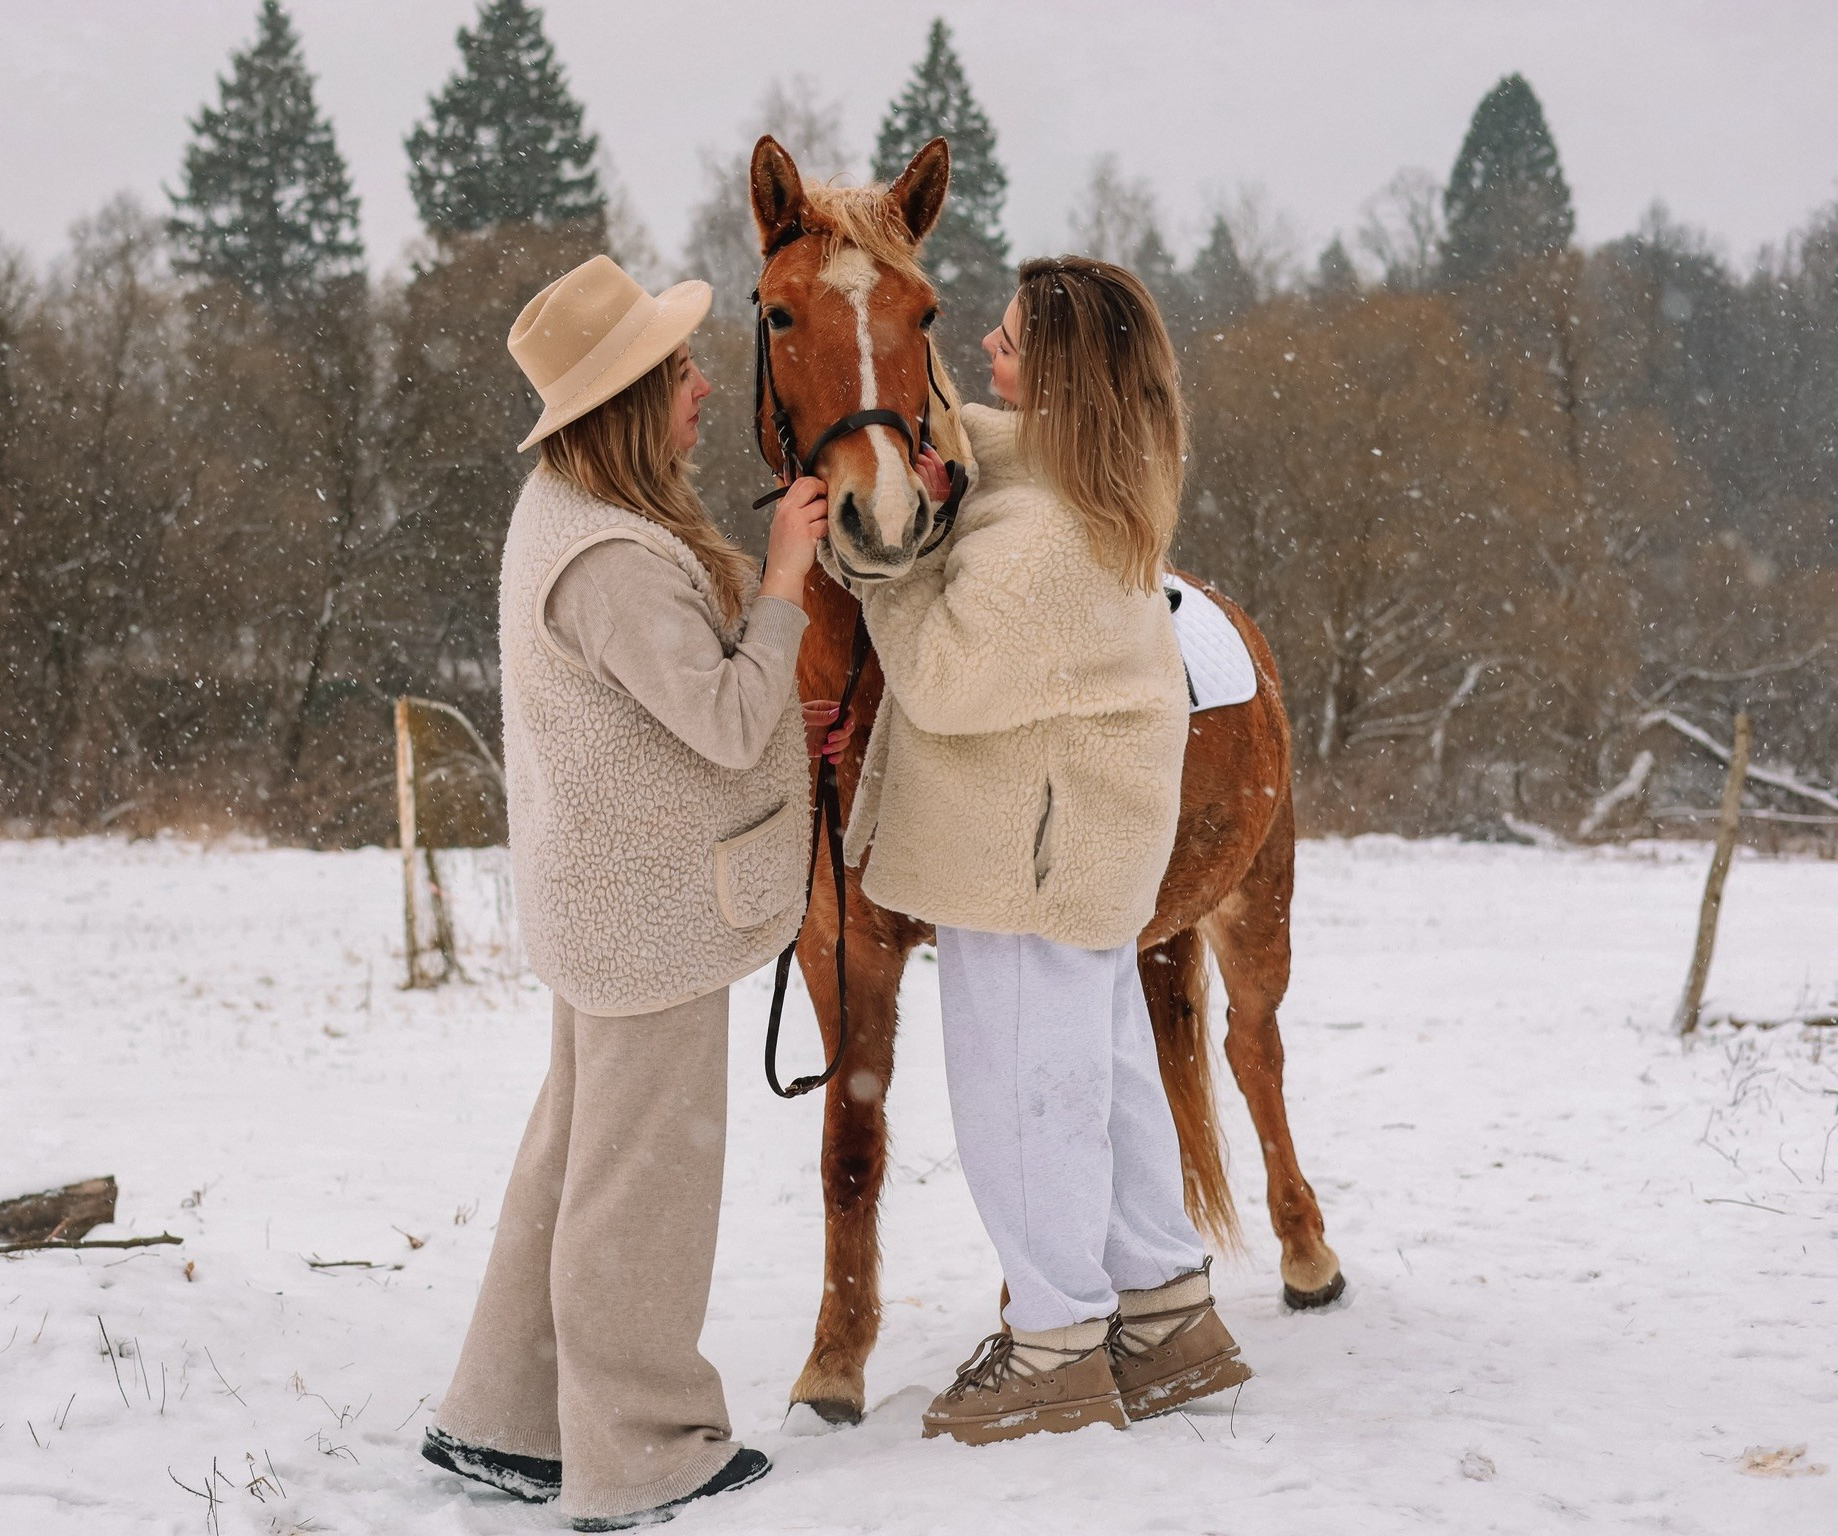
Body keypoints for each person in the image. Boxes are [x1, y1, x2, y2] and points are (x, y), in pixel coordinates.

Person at [421, 255, 829, 1530]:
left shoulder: (563, 509)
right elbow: (722, 717)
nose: (706, 390)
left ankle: (503, 1418)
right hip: (646, 912)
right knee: (637, 1189)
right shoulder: (608, 557)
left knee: (569, 1167)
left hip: (602, 899)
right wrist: (780, 587)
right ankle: (644, 1454)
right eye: (682, 373)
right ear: (631, 402)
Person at [841, 255, 1252, 1446]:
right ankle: (1169, 1315)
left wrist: (886, 566)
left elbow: (946, 680)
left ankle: (1057, 1347)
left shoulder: (1045, 536)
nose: (987, 352)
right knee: (1104, 1083)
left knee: (1023, 1100)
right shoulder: (1086, 486)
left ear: (1060, 377)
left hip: (1020, 863)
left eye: (1013, 343)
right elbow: (980, 439)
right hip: (1067, 852)